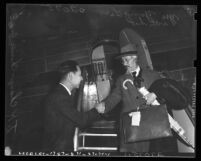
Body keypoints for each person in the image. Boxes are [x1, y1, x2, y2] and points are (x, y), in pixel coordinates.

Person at [95, 43, 163, 153]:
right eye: (123, 61)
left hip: (149, 124)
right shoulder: (121, 79)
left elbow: (164, 88)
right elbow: (114, 97)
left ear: (135, 58)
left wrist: (155, 94)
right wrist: (104, 106)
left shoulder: (152, 75)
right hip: (129, 125)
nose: (125, 64)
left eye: (127, 60)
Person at [42, 60, 102, 152]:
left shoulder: (62, 93)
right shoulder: (59, 96)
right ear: (70, 76)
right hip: (59, 150)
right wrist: (97, 110)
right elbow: (81, 120)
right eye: (79, 75)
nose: (81, 78)